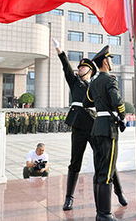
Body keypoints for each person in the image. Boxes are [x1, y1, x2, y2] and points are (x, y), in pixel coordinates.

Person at [53, 39, 127, 211]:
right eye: (78, 67)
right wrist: (60, 51)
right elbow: (66, 67)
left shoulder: (94, 84)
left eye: (82, 67)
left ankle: (119, 191)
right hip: (79, 126)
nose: (79, 69)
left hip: (94, 126)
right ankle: (69, 198)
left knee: (105, 161)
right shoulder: (75, 83)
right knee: (75, 162)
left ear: (91, 70)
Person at [84, 45, 126, 221]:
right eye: (110, 59)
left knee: (99, 171)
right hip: (108, 128)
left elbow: (88, 102)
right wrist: (121, 115)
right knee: (107, 172)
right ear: (105, 62)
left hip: (96, 128)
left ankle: (99, 212)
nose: (111, 62)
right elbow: (117, 100)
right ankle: (105, 214)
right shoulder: (110, 80)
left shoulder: (93, 82)